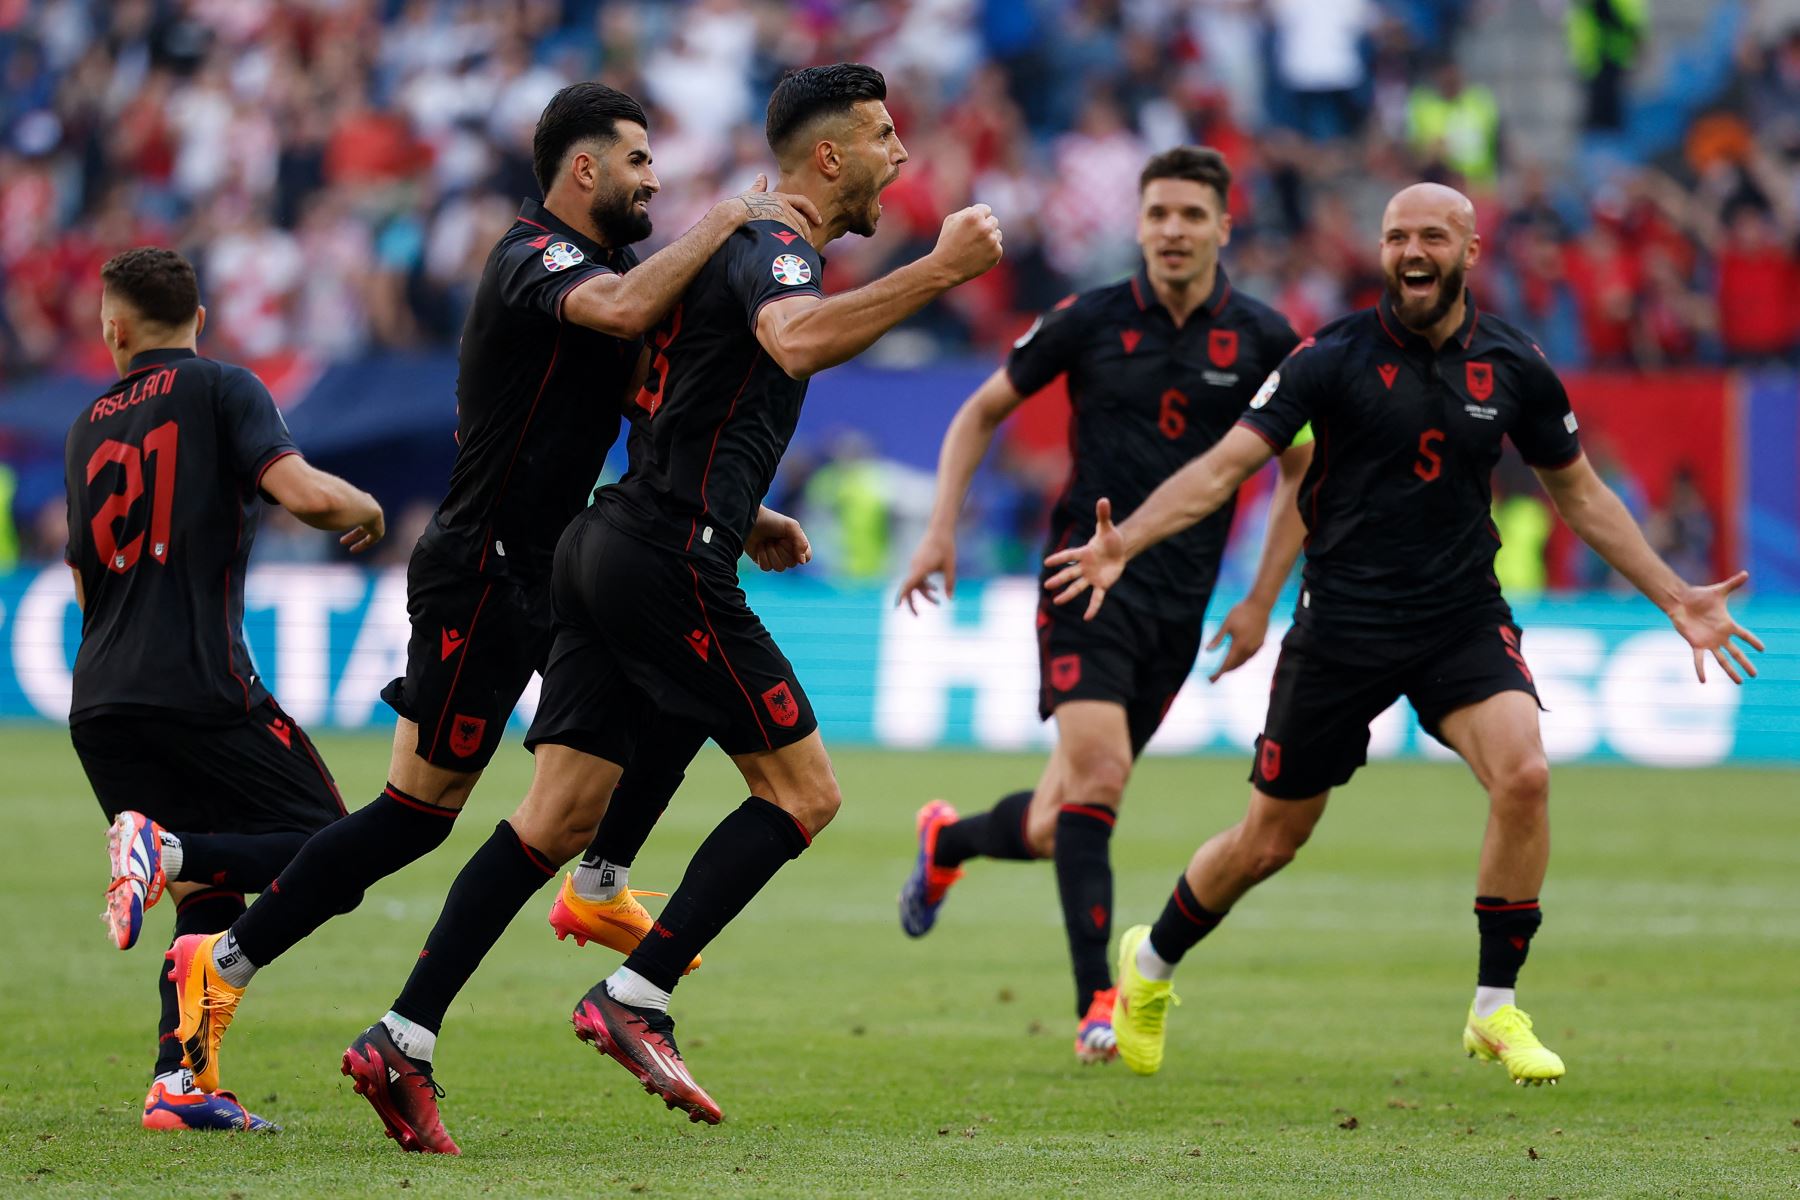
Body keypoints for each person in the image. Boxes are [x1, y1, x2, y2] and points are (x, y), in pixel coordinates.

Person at [328, 62, 998, 1150]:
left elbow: (687, 392)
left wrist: (752, 508)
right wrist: (939, 270)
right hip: (663, 558)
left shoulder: (726, 253)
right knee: (804, 794)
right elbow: (797, 340)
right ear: (829, 156)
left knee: (550, 818)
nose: (902, 156)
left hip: (602, 543)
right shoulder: (777, 242)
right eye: (883, 136)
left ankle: (404, 1033)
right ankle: (637, 993)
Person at [162, 82, 819, 1151]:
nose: (655, 179)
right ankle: (219, 965)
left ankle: (567, 909)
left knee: (659, 698)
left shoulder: (608, 282)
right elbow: (615, 314)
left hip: (558, 572)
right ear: (583, 171)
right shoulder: (533, 258)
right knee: (418, 814)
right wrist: (727, 219)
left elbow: (640, 430)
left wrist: (750, 520)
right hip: (481, 573)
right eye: (639, 161)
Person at [1044, 182, 1762, 1085]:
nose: (1411, 252)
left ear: (1469, 248)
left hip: (1460, 616)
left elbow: (1577, 490)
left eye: (1430, 236)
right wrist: (1130, 540)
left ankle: (1495, 1009)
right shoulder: (1328, 357)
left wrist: (1673, 594)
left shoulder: (1515, 364)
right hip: (1342, 626)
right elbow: (1229, 462)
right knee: (1269, 841)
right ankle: (1149, 965)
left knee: (1526, 774)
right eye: (1395, 237)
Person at [893, 146, 1312, 1064]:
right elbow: (977, 413)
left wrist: (1261, 597)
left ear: (1222, 228)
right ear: (1138, 223)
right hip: (1081, 580)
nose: (1172, 230)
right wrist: (940, 530)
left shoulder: (1266, 339)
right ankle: (1097, 1002)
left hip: (1180, 605)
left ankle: (949, 840)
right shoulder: (1086, 320)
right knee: (1103, 780)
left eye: (1191, 215)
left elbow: (1300, 466)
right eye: (1158, 213)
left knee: (1055, 823)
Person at [71, 247, 384, 1131]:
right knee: (339, 849)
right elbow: (300, 493)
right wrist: (363, 506)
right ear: (199, 319)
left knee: (207, 897)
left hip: (101, 695)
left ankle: (180, 1085)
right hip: (201, 680)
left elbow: (87, 575)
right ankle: (163, 851)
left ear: (113, 327)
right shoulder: (222, 387)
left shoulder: (86, 423)